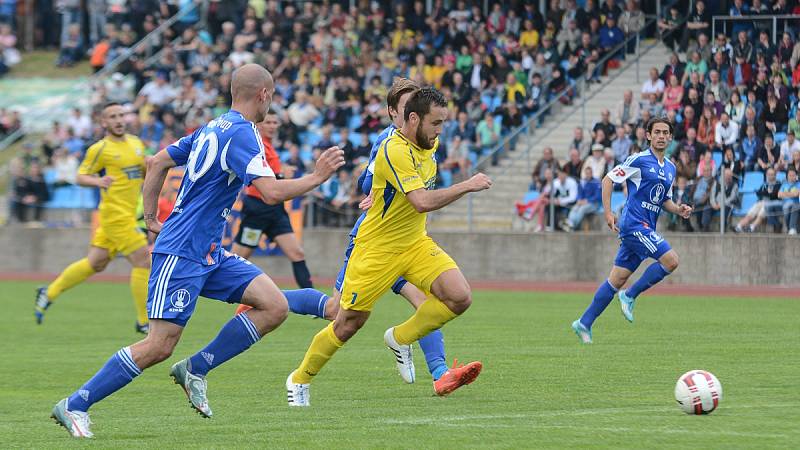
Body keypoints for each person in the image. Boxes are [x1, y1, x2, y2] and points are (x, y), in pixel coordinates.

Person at [50, 64, 345, 438]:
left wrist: (155, 215)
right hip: (182, 251)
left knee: (274, 305)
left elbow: (157, 162)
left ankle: (197, 368)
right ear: (264, 95)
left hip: (208, 251)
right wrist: (317, 177)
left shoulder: (213, 126)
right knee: (158, 346)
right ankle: (75, 404)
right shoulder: (244, 134)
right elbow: (270, 192)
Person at [285, 87, 492, 407]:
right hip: (377, 249)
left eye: (443, 123)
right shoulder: (393, 149)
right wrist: (467, 185)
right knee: (346, 321)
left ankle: (400, 339)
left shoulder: (430, 142)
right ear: (413, 118)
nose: (440, 131)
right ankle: (300, 378)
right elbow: (420, 201)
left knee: (459, 296)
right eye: (436, 123)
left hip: (414, 243)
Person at [572, 118, 692, 343]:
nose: (661, 136)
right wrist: (608, 213)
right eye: (657, 132)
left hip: (645, 227)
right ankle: (629, 295)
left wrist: (678, 209)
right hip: (634, 224)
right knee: (671, 261)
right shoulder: (638, 160)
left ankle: (584, 322)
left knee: (616, 279)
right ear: (648, 135)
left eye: (666, 132)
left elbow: (664, 199)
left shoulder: (671, 167)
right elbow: (608, 180)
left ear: (670, 137)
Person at [34, 103, 151, 333]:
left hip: (126, 214)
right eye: (112, 117)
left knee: (96, 262)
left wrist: (151, 167)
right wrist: (98, 181)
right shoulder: (100, 148)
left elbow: (144, 172)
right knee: (143, 261)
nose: (118, 120)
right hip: (113, 215)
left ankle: (49, 292)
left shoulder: (137, 144)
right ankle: (144, 321)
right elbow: (80, 177)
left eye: (121, 115)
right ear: (103, 123)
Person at [230, 112, 314, 289]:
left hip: (275, 210)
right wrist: (283, 174)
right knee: (239, 256)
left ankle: (313, 299)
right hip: (257, 208)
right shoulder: (256, 146)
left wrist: (282, 173)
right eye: (269, 122)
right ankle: (216, 284)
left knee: (297, 253)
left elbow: (273, 175)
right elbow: (261, 178)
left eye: (276, 122)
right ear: (259, 124)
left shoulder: (269, 146)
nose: (273, 126)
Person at [561, 166, 602, 231]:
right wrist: (579, 200)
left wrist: (587, 200)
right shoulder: (582, 182)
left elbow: (598, 196)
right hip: (583, 202)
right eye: (587, 173)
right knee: (575, 208)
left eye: (589, 173)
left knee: (582, 209)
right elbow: (579, 193)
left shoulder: (596, 182)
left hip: (594, 204)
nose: (588, 175)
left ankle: (572, 226)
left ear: (592, 173)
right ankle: (570, 223)